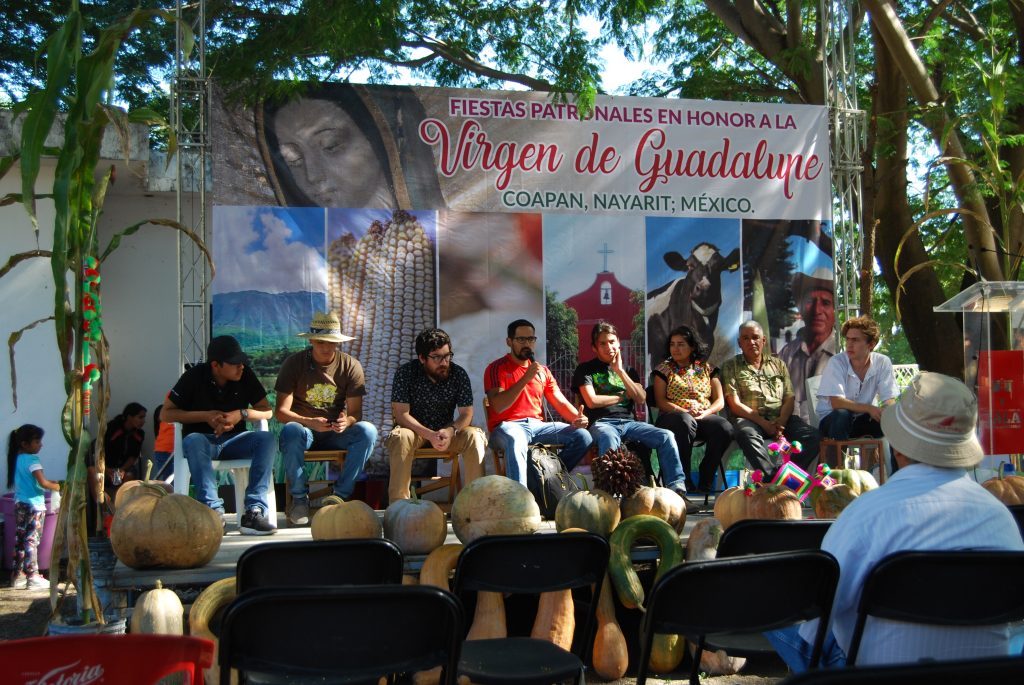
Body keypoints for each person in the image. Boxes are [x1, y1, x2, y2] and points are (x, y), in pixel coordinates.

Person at [767, 372, 1024, 670]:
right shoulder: (1001, 519)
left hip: (877, 676)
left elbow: (816, 627)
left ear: (898, 448)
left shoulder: (866, 514)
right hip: (986, 676)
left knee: (772, 606)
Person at [573, 322, 698, 512]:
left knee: (666, 436)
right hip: (602, 423)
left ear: (619, 344)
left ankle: (678, 492)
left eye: (612, 342)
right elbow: (591, 401)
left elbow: (641, 398)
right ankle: (612, 496)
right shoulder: (586, 370)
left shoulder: (629, 371)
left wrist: (620, 371)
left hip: (630, 423)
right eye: (603, 343)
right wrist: (623, 395)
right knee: (608, 436)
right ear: (594, 347)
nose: (609, 347)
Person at [260, 83, 444, 209]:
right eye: (293, 159)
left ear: (380, 138)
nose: (313, 176)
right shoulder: (293, 251)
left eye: (331, 145)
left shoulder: (444, 242)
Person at [162, 335, 277, 535]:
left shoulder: (245, 375)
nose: (241, 366)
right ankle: (213, 512)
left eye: (242, 362)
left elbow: (266, 411)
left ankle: (254, 511)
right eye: (234, 363)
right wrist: (205, 416)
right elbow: (166, 413)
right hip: (203, 441)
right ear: (216, 365)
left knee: (266, 439)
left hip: (235, 440)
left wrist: (240, 414)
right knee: (193, 440)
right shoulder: (193, 376)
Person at [276, 311, 378, 525]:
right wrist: (310, 422)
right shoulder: (294, 364)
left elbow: (356, 413)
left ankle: (339, 495)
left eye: (332, 342)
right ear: (311, 340)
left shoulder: (350, 365)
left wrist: (346, 422)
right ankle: (299, 498)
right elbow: (281, 412)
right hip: (305, 431)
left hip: (334, 432)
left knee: (368, 431)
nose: (326, 347)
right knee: (291, 430)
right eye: (321, 341)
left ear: (338, 342)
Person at [484, 319, 592, 486]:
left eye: (531, 339)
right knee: (515, 438)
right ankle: (521, 500)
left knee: (583, 436)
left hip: (537, 426)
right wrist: (526, 378)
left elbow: (560, 402)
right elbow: (498, 406)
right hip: (507, 427)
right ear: (509, 342)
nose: (527, 344)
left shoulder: (542, 371)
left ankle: (547, 480)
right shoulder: (496, 368)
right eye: (521, 340)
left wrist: (577, 418)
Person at [385, 328, 486, 502]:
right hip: (414, 432)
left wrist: (450, 430)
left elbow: (466, 413)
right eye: (437, 357)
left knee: (474, 436)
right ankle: (399, 507)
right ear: (422, 358)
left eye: (447, 355)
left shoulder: (458, 374)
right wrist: (429, 434)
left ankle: (476, 504)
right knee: (400, 436)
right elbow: (401, 414)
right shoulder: (406, 373)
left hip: (446, 432)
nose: (444, 362)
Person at [721, 320, 819, 476]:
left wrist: (781, 422)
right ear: (739, 343)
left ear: (763, 341)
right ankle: (770, 478)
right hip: (750, 420)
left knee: (812, 436)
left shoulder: (778, 364)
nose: (751, 342)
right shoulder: (730, 366)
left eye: (755, 337)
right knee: (745, 434)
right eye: (745, 338)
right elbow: (734, 404)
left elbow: (789, 397)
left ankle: (786, 477)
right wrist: (764, 423)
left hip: (782, 419)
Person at [652, 325, 734, 493]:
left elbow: (719, 401)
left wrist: (706, 413)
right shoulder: (664, 370)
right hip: (672, 418)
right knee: (684, 421)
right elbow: (661, 401)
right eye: (672, 344)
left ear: (692, 347)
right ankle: (684, 479)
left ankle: (706, 477)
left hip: (702, 416)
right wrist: (683, 411)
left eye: (681, 344)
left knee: (724, 428)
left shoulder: (707, 369)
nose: (675, 348)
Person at [815, 316, 898, 465]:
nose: (849, 344)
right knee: (842, 414)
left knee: (893, 421)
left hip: (861, 421)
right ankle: (835, 475)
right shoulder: (837, 362)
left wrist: (887, 411)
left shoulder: (882, 362)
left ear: (871, 344)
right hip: (833, 422)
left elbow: (889, 398)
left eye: (855, 340)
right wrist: (869, 408)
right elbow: (836, 403)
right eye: (848, 339)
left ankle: (898, 477)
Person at [779, 268, 837, 422]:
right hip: (794, 431)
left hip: (830, 430)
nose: (817, 310)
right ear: (801, 308)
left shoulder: (843, 352)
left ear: (835, 311)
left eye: (825, 303)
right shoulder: (787, 353)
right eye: (811, 301)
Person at [7, 425, 60, 590]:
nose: (40, 445)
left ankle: (18, 575)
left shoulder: (18, 458)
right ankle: (33, 576)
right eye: (37, 441)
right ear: (24, 443)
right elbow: (43, 483)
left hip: (20, 503)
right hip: (34, 506)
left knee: (20, 539)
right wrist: (60, 486)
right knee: (32, 540)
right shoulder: (33, 460)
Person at [151, 402, 175, 480]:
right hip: (169, 451)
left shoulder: (166, 416)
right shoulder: (174, 415)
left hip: (162, 451)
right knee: (171, 480)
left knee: (168, 479)